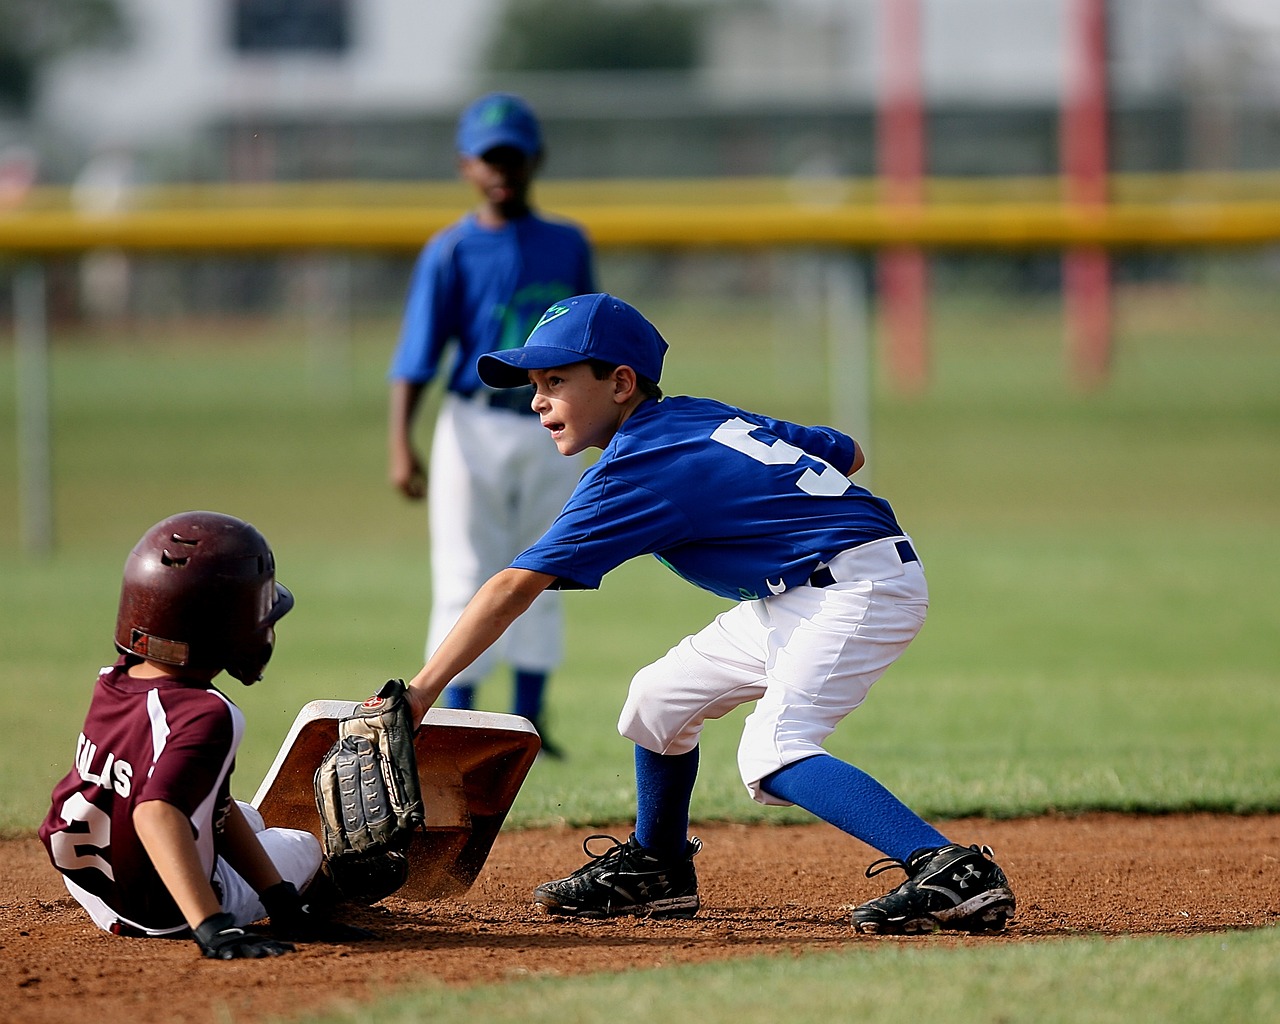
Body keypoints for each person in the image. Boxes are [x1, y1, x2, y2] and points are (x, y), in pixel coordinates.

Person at [395, 292, 1017, 935]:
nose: (537, 401)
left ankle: (948, 869)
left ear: (621, 383)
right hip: (804, 589)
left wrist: (421, 691)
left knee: (774, 751)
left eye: (555, 380)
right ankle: (657, 867)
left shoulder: (635, 468)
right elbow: (847, 452)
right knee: (657, 700)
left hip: (856, 588)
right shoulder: (693, 417)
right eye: (533, 385)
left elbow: (512, 587)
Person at [39, 511, 370, 958]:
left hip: (93, 887)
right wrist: (212, 926)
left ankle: (260, 895)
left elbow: (198, 803)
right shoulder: (209, 714)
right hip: (164, 911)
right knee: (303, 845)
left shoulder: (116, 679)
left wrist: (280, 902)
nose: (266, 629)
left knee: (246, 815)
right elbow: (155, 813)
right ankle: (229, 906)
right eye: (260, 616)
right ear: (224, 629)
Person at [387, 91, 596, 757]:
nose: (501, 170)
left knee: (548, 566)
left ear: (537, 159)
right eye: (488, 159)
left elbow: (591, 341)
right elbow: (418, 353)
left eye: (512, 157)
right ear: (465, 165)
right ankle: (458, 721)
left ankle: (530, 724)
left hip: (554, 424)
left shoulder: (567, 244)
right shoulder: (451, 250)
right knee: (464, 571)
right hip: (472, 423)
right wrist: (402, 442)